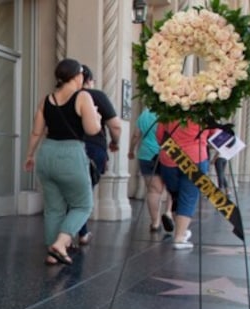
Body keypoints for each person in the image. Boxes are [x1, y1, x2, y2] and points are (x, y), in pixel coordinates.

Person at [25, 58, 102, 265]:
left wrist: (29, 156)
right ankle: (62, 242)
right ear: (77, 77)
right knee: (83, 205)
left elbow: (36, 132)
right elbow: (92, 130)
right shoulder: (83, 97)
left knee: (53, 208)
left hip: (46, 153)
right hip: (71, 154)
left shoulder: (46, 100)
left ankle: (52, 252)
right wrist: (96, 117)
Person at [76, 64, 121, 246]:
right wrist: (114, 142)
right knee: (84, 192)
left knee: (66, 193)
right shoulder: (96, 96)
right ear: (89, 80)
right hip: (93, 148)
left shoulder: (62, 97)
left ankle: (67, 234)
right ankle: (81, 232)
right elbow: (116, 126)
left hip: (64, 147)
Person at [156, 120, 214, 249]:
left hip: (170, 157)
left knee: (176, 195)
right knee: (188, 197)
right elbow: (216, 135)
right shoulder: (203, 115)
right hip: (195, 157)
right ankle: (179, 238)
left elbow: (160, 136)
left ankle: (180, 230)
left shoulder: (168, 112)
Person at [128, 108, 174, 233]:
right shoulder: (172, 113)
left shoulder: (145, 114)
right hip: (169, 153)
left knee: (154, 190)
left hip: (147, 154)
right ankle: (168, 212)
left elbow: (136, 135)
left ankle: (155, 223)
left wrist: (131, 150)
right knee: (172, 187)